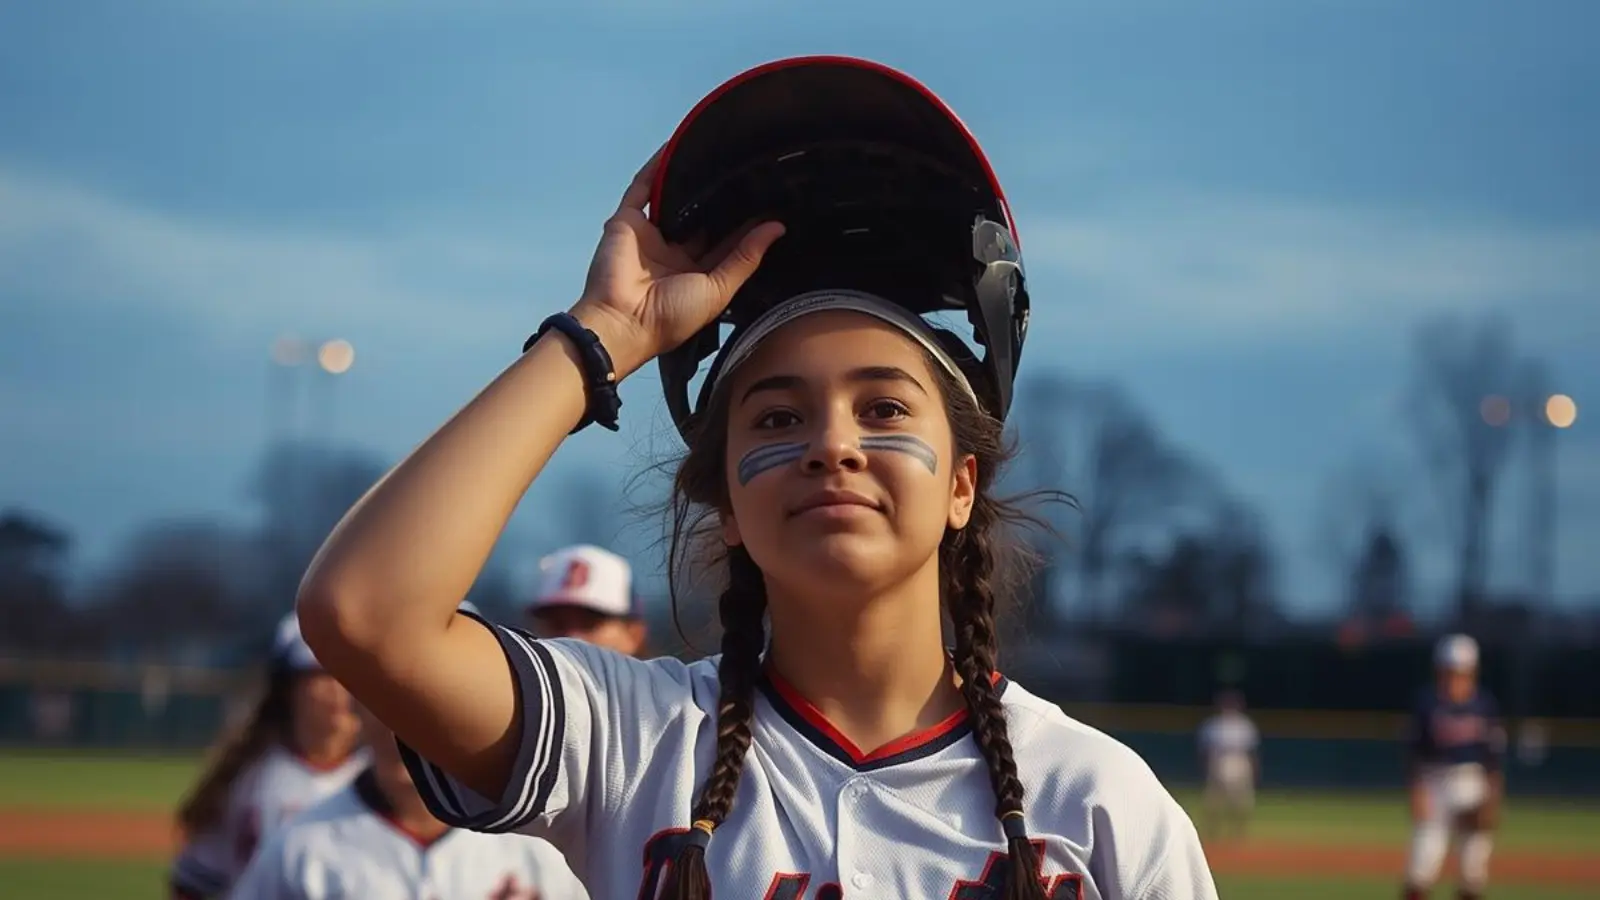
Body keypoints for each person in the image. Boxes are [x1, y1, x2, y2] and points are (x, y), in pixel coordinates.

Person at [295, 55, 1217, 900]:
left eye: (885, 409)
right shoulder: (634, 742)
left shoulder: (1099, 806)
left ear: (963, 486)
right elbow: (364, 614)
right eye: (778, 417)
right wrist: (601, 337)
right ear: (727, 504)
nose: (831, 444)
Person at [230, 700, 588, 900]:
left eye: (424, 697)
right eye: (385, 693)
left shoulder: (542, 847)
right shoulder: (299, 850)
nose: (402, 726)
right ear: (356, 706)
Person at [170, 613, 367, 899]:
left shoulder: (389, 777)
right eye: (320, 675)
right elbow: (193, 884)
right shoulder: (247, 777)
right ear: (288, 689)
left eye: (348, 675)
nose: (338, 690)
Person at [1401, 633, 1505, 900]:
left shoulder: (1484, 705)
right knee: (1422, 863)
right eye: (1449, 671)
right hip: (1434, 781)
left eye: (1460, 671)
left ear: (1472, 671)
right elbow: (1415, 754)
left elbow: (1493, 760)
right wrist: (1417, 791)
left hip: (1473, 783)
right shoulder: (1427, 704)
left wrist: (1492, 799)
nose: (1454, 677)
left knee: (1473, 868)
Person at [523, 544, 648, 657]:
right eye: (558, 624)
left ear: (634, 635)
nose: (571, 638)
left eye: (590, 624)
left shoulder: (662, 682)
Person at [1196, 689, 1259, 842]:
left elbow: (1251, 751)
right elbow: (1205, 750)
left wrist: (1253, 769)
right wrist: (1207, 767)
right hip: (1219, 761)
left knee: (1241, 801)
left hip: (1239, 761)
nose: (1228, 707)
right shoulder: (1212, 725)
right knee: (1213, 802)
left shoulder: (1245, 725)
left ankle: (1238, 832)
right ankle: (1213, 832)